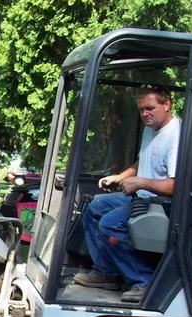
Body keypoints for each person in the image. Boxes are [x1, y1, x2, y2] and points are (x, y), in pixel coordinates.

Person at [74, 84, 181, 303]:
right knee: (94, 207)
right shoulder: (152, 131)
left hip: (161, 203)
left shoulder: (176, 136)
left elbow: (175, 185)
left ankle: (144, 282)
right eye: (141, 110)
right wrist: (120, 177)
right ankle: (108, 272)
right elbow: (143, 160)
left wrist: (140, 182)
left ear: (167, 104)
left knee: (110, 223)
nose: (145, 114)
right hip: (142, 195)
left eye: (150, 108)